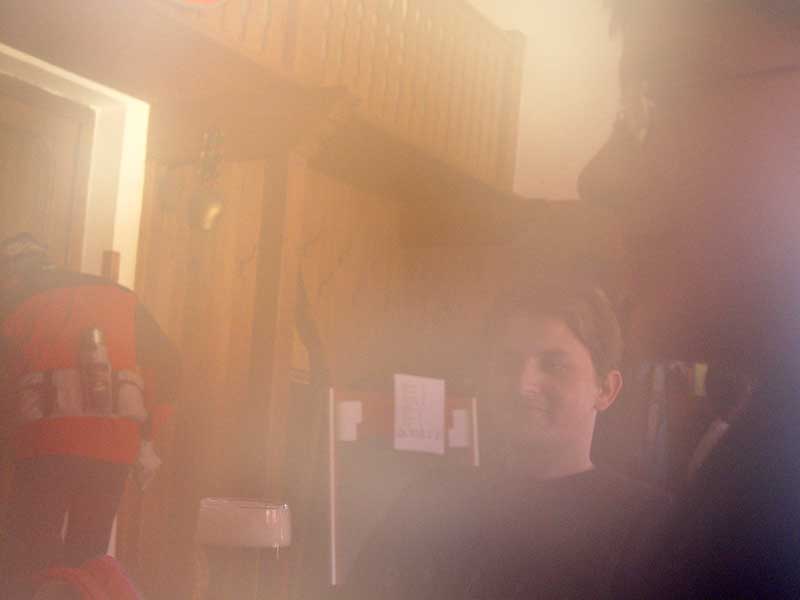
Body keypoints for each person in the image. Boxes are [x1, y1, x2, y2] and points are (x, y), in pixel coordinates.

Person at [337, 282, 666, 600]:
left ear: (605, 389)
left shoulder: (650, 528)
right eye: (509, 363)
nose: (524, 384)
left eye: (554, 365)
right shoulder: (432, 501)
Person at [0, 233, 180, 599]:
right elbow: (170, 364)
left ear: (11, 273)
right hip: (112, 449)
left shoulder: (14, 304)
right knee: (89, 562)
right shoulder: (122, 297)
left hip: (45, 447)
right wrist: (148, 434)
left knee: (30, 556)